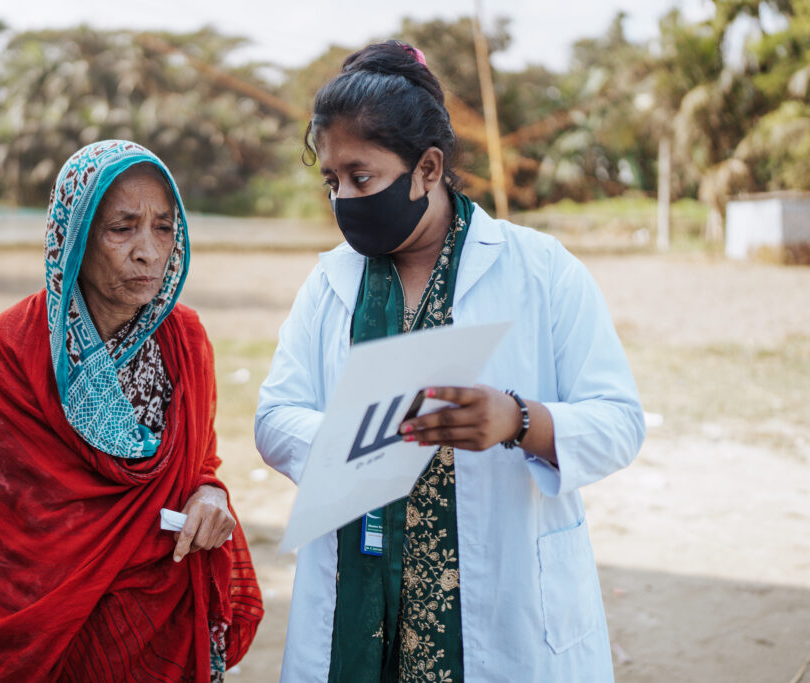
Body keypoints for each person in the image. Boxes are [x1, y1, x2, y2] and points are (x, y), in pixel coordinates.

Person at [255, 41, 645, 682]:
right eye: (332, 181)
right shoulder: (330, 284)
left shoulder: (540, 269)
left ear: (428, 168)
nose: (344, 198)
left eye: (361, 177)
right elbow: (275, 418)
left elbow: (620, 421)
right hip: (365, 603)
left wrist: (518, 420)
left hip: (504, 611)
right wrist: (362, 431)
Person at [0, 140, 263, 682]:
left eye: (164, 227)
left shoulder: (184, 340)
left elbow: (200, 464)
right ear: (75, 237)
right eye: (122, 228)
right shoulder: (15, 349)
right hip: (52, 636)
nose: (148, 252)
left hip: (163, 626)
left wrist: (210, 495)